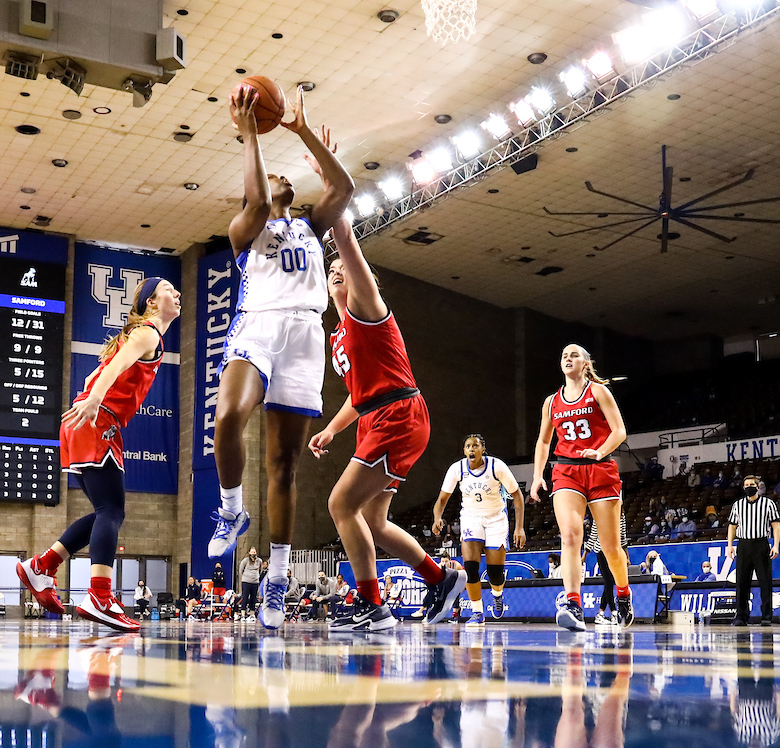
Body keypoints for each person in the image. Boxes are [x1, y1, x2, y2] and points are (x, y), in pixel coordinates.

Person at [206, 85, 355, 632]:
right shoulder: (246, 229)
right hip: (259, 327)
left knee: (284, 468)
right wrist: (250, 135)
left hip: (305, 336)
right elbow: (258, 201)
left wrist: (299, 129)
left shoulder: (312, 227)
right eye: (273, 176)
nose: (282, 180)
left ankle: (278, 578)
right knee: (227, 417)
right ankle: (229, 509)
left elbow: (345, 185)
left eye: (284, 177)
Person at [306, 204, 465, 631]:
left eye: (344, 266)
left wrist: (334, 203)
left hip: (398, 414)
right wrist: (331, 430)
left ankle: (373, 605)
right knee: (373, 522)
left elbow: (348, 246)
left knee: (340, 503)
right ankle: (441, 577)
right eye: (331, 268)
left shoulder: (368, 310)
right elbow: (359, 396)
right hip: (375, 416)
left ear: (365, 281)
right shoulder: (339, 333)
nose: (336, 269)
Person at [17, 278, 181, 632]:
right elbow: (114, 367)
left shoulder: (139, 333)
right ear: (152, 302)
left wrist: (90, 399)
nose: (178, 294)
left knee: (104, 511)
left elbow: (99, 370)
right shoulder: (148, 332)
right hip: (96, 418)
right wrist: (94, 401)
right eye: (170, 289)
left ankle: (42, 565)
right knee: (112, 511)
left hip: (85, 420)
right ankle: (100, 595)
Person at [530, 344, 633, 632]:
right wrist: (538, 475)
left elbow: (619, 431)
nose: (567, 358)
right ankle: (574, 604)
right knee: (571, 537)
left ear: (586, 363)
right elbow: (543, 442)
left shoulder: (598, 391)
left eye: (574, 354)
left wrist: (600, 451)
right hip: (567, 471)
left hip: (601, 470)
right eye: (563, 354)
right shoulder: (551, 402)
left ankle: (623, 594)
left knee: (612, 549)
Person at [431, 433, 526, 625]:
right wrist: (437, 518)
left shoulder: (496, 466)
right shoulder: (457, 469)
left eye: (475, 446)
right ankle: (477, 613)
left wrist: (519, 528)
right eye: (468, 446)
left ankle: (497, 594)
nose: (471, 449)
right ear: (464, 451)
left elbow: (517, 496)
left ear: (483, 449)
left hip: (496, 518)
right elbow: (442, 499)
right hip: (471, 518)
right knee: (471, 568)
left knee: (495, 573)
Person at [726, 475, 780, 627]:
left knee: (765, 581)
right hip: (743, 545)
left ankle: (766, 616)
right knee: (742, 583)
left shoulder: (768, 503)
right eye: (746, 485)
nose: (749, 486)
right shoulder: (737, 505)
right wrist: (729, 545)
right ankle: (741, 616)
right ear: (743, 488)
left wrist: (776, 545)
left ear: (757, 487)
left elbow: (775, 525)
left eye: (752, 484)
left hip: (761, 544)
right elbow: (732, 525)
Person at [587, 512, 629, 627]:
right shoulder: (600, 513)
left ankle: (600, 613)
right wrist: (584, 554)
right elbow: (593, 535)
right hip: (601, 550)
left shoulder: (621, 516)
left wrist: (627, 556)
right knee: (609, 581)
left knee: (611, 581)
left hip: (615, 551)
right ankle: (614, 612)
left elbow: (623, 537)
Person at [238, 547, 263, 618]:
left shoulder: (259, 561)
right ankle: (243, 614)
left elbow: (260, 570)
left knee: (253, 598)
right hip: (246, 581)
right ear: (249, 553)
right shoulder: (245, 560)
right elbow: (241, 570)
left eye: (254, 552)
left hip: (255, 582)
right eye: (252, 552)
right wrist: (245, 577)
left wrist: (256, 576)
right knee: (245, 597)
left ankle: (252, 614)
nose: (253, 554)